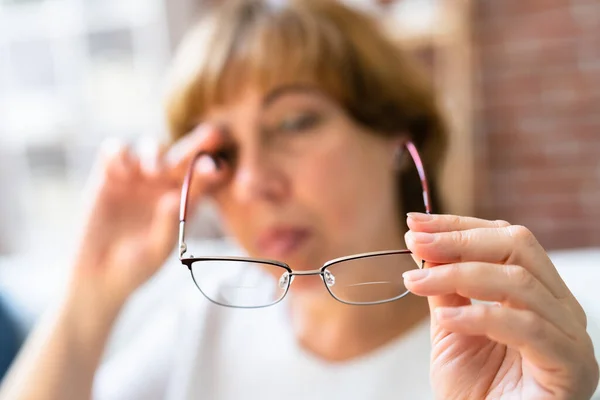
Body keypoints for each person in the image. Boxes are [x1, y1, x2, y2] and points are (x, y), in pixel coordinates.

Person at [1, 1, 598, 399]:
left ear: (395, 135)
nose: (255, 182)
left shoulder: (515, 350)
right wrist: (93, 287)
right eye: (224, 153)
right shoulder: (204, 319)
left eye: (293, 123)